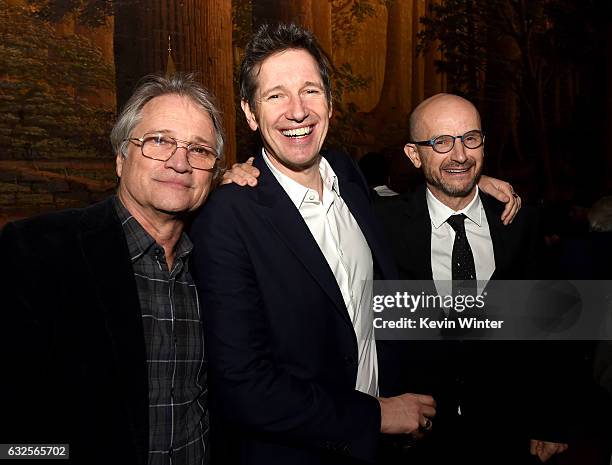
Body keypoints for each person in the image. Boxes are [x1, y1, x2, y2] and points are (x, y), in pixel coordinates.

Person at [192, 24, 519, 465]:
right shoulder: (227, 218)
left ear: (329, 103)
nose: (297, 110)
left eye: (310, 91)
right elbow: (243, 387)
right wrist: (373, 416)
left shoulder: (347, 175)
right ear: (250, 113)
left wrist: (471, 182)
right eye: (275, 96)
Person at [0, 74, 223, 465]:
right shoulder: (37, 252)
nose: (179, 161)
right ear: (121, 158)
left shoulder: (214, 264)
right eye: (159, 141)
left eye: (200, 150)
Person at [374, 93, 568, 464]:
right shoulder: (383, 224)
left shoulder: (518, 223)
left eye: (470, 138)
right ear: (415, 155)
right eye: (442, 142)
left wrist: (551, 421)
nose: (460, 154)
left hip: (505, 432)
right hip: (416, 438)